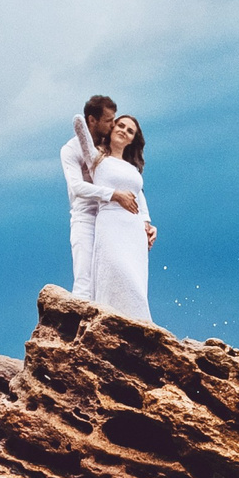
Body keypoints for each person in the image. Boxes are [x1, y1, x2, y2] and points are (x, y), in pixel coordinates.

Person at [88, 113, 157, 323]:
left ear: (132, 140)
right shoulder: (97, 158)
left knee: (135, 281)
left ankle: (140, 328)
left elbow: (140, 198)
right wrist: (95, 119)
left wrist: (148, 226)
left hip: (134, 232)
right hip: (110, 223)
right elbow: (79, 127)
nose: (124, 131)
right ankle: (106, 324)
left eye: (130, 131)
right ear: (111, 127)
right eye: (120, 125)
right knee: (115, 271)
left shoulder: (132, 169)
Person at [59, 96, 122, 302]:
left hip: (110, 218)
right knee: (84, 281)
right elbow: (76, 187)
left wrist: (145, 220)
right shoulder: (70, 150)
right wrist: (112, 194)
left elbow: (128, 179)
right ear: (92, 120)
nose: (113, 125)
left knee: (110, 281)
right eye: (108, 120)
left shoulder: (111, 148)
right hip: (84, 219)